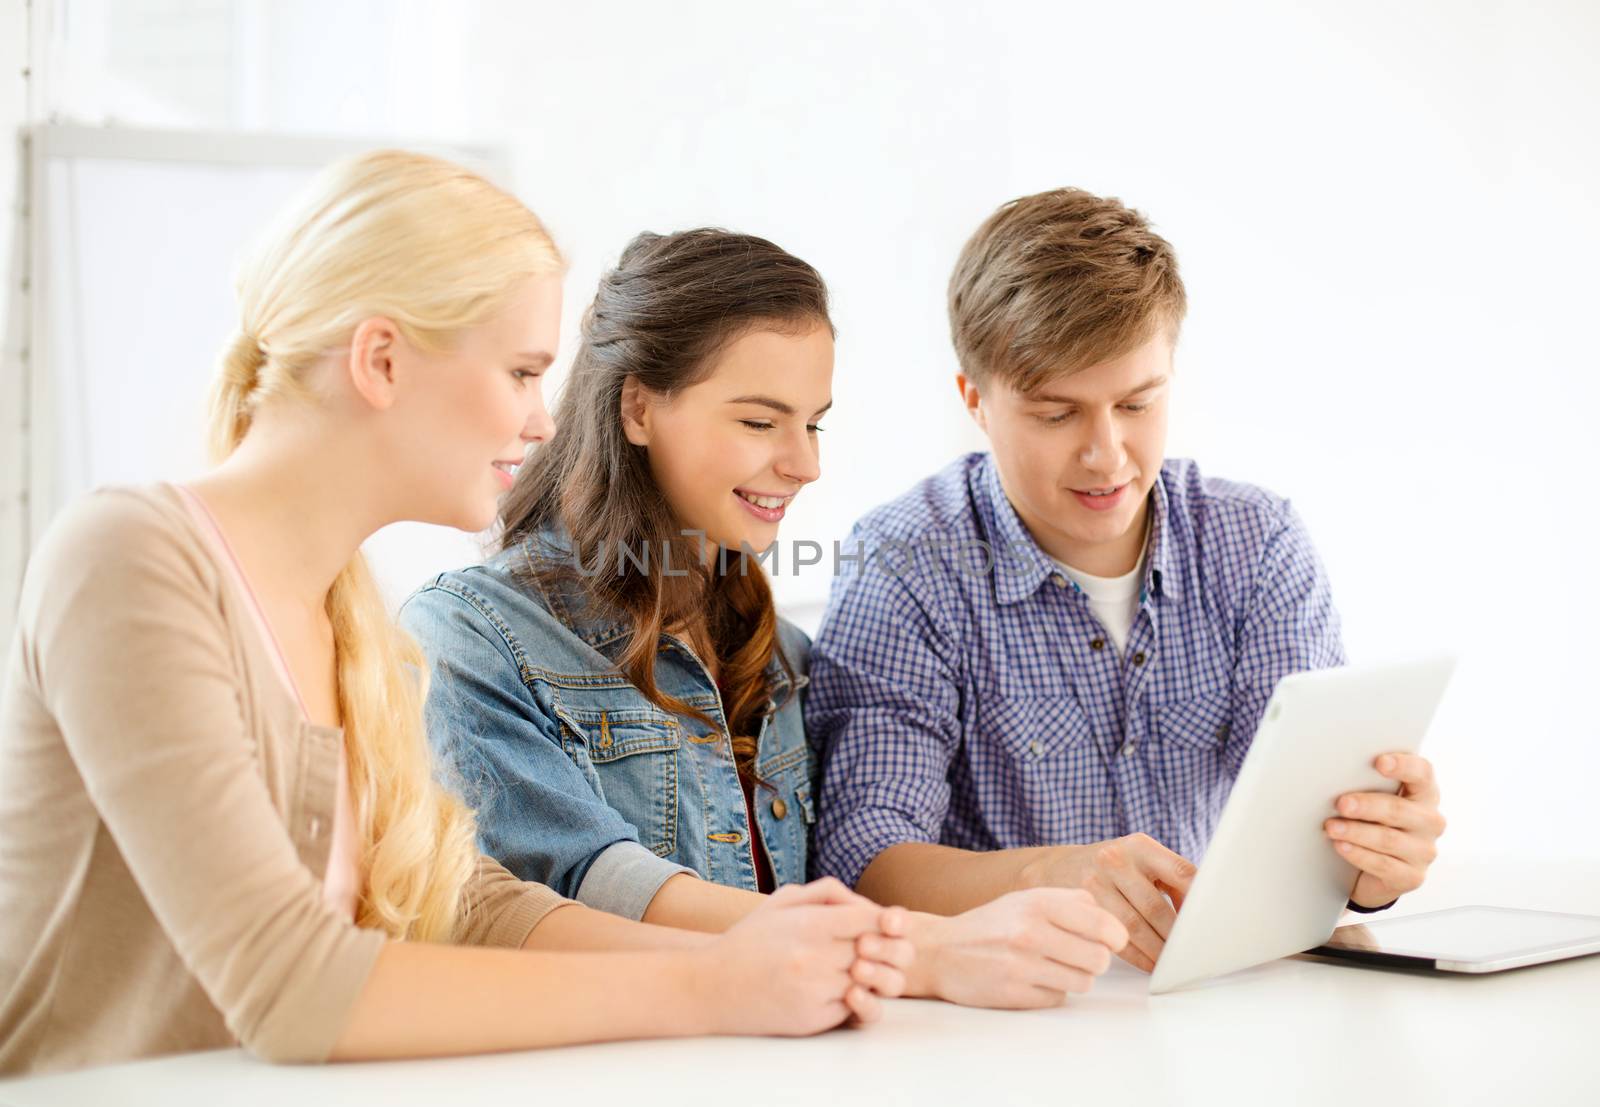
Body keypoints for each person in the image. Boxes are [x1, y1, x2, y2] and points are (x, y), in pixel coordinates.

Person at [0, 151, 915, 1076]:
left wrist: (755, 959)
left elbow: (467, 900)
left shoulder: (350, 615)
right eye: (521, 372)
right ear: (382, 360)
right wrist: (711, 987)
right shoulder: (128, 558)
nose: (545, 422)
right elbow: (293, 984)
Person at [400, 228, 1129, 1011]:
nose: (805, 463)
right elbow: (586, 881)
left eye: (812, 423)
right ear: (638, 406)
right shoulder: (469, 635)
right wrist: (912, 950)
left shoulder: (782, 657)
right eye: (760, 422)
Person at [806, 188, 1448, 973]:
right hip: (1003, 1023)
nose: (1107, 453)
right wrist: (1048, 874)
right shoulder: (905, 562)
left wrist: (1372, 865)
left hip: (1222, 995)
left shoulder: (1256, 544)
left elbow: (1306, 827)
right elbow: (862, 857)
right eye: (1055, 414)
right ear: (974, 399)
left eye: (1138, 402)